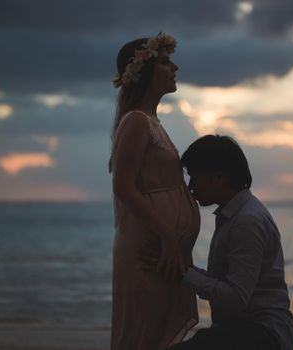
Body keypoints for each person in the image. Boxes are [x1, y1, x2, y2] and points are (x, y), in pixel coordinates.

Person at [141, 135, 293, 350]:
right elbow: (225, 284)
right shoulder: (235, 215)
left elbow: (235, 298)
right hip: (244, 331)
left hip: (263, 334)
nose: (190, 186)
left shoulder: (247, 221)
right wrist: (180, 267)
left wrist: (183, 273)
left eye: (195, 177)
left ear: (219, 177)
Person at [109, 33, 200, 350]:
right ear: (144, 72)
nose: (174, 67)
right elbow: (122, 185)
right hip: (150, 246)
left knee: (154, 334)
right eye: (164, 62)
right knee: (142, 335)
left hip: (162, 247)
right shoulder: (136, 121)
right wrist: (167, 234)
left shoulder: (152, 121)